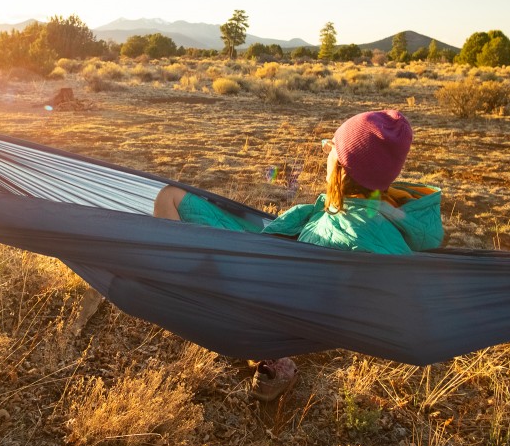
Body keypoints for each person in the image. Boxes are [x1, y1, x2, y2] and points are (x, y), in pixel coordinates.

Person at [153, 109, 443, 401]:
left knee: (170, 202)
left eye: (330, 149)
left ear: (342, 167)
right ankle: (259, 348)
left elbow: (306, 288)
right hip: (266, 267)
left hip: (256, 300)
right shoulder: (378, 210)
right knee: (172, 196)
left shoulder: (350, 231)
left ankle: (262, 351)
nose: (326, 154)